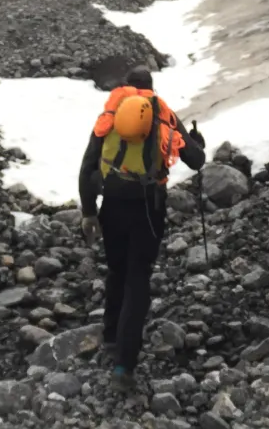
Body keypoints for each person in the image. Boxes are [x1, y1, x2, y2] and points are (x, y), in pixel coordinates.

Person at [78, 64, 206, 390]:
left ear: (126, 86)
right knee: (138, 278)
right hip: (149, 207)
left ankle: (110, 336)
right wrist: (197, 142)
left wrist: (89, 213)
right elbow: (195, 159)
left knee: (117, 271)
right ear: (151, 87)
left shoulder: (111, 114)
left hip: (112, 207)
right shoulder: (163, 113)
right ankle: (124, 366)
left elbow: (88, 166)